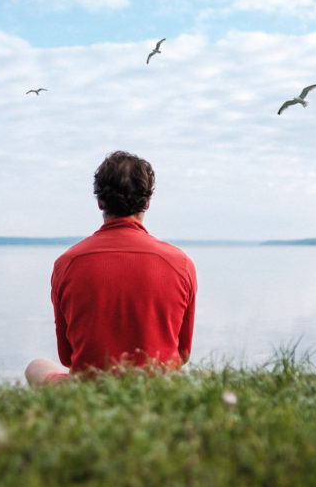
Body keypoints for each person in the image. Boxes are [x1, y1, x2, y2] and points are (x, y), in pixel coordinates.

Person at [26, 151, 197, 387]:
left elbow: (67, 357)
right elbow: (183, 353)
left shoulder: (67, 263)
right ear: (147, 203)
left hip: (89, 390)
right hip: (157, 388)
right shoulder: (180, 263)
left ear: (100, 202)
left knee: (36, 367)